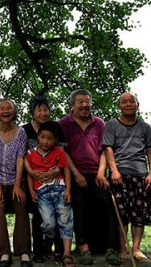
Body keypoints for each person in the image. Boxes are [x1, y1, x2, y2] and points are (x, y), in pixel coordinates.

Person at [59, 89, 121, 266]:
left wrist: (102, 173)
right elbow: (63, 152)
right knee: (77, 204)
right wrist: (77, 174)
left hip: (97, 172)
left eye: (87, 101)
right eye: (80, 101)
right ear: (73, 104)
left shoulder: (99, 123)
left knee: (108, 203)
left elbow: (104, 151)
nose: (85, 105)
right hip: (74, 174)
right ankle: (83, 247)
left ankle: (111, 249)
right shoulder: (64, 123)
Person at [102, 92, 151, 263]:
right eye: (124, 102)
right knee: (122, 213)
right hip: (120, 174)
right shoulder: (111, 125)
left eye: (131, 101)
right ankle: (123, 248)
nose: (128, 104)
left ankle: (136, 248)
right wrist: (114, 170)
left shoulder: (145, 127)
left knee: (138, 213)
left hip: (140, 174)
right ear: (119, 106)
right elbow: (108, 149)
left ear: (137, 105)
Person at [25, 122, 74, 267]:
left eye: (49, 138)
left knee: (65, 221)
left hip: (60, 190)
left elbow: (66, 170)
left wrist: (69, 191)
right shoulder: (31, 153)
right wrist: (31, 190)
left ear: (55, 139)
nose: (45, 141)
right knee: (48, 223)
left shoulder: (59, 151)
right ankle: (49, 239)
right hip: (42, 193)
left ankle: (67, 254)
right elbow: (29, 174)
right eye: (42, 137)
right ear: (38, 137)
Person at [22, 96, 64, 263]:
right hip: (34, 180)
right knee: (38, 214)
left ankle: (58, 248)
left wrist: (57, 169)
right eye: (39, 110)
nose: (43, 113)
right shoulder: (24, 130)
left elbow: (62, 153)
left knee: (59, 212)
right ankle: (39, 249)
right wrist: (31, 172)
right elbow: (21, 155)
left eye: (45, 109)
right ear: (32, 112)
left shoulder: (55, 128)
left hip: (55, 179)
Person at [0, 99, 31, 267]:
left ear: (14, 113)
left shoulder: (21, 132)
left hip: (16, 179)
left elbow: (21, 159)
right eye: (2, 108)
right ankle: (4, 253)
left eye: (9, 108)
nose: (6, 111)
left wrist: (16, 185)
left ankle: (24, 252)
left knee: (21, 204)